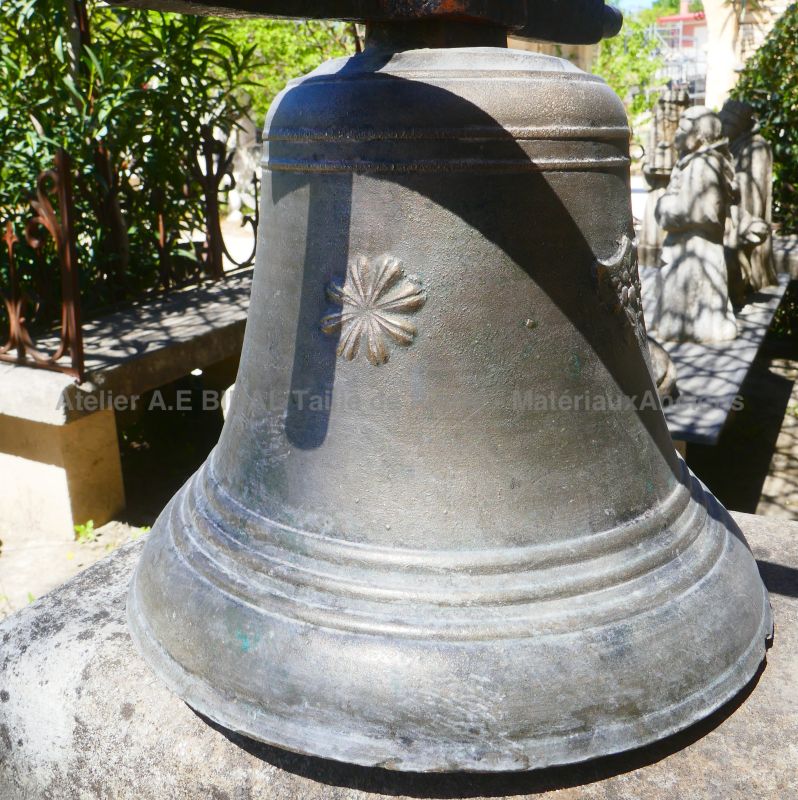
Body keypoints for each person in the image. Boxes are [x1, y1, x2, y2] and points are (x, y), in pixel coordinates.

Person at [653, 106, 738, 342]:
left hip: (697, 250)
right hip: (687, 247)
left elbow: (700, 211)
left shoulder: (705, 164)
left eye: (682, 127)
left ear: (699, 133)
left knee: (697, 304)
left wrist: (664, 207)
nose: (677, 133)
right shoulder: (692, 162)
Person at [720, 99, 778, 297]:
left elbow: (754, 183)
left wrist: (729, 181)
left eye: (728, 124)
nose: (723, 128)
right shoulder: (728, 145)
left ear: (741, 125)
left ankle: (744, 281)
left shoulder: (758, 146)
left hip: (745, 210)